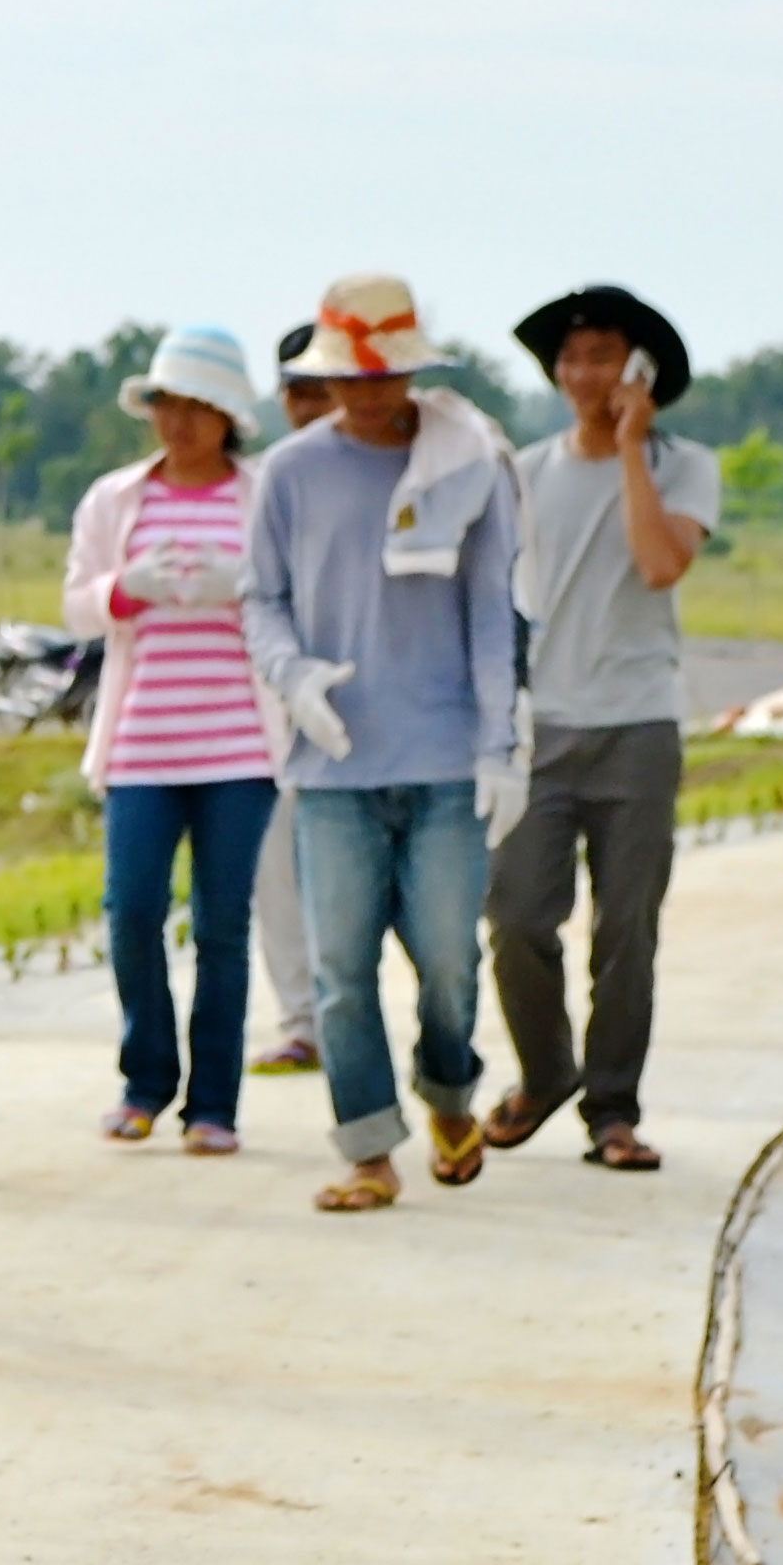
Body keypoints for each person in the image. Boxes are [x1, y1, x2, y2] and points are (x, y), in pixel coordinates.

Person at [241, 274, 520, 1213]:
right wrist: (292, 675)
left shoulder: (466, 460)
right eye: (347, 378)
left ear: (410, 372)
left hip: (444, 755)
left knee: (448, 956)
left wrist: (500, 742)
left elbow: (492, 608)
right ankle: (367, 1148)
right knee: (340, 970)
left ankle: (448, 1092)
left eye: (382, 375)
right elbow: (261, 599)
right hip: (333, 758)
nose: (366, 392)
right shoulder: (291, 472)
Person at [484, 284, 720, 1175]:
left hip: (637, 724)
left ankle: (612, 1109)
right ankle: (546, 1073)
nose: (586, 374)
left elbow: (661, 564)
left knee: (627, 930)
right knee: (514, 917)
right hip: (539, 727)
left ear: (643, 371)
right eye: (571, 358)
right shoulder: (525, 472)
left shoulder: (683, 464)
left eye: (606, 357)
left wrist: (629, 451)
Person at [61, 327, 278, 1152]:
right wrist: (128, 588)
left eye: (197, 407)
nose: (179, 422)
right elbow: (77, 602)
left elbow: (296, 598)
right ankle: (144, 1079)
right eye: (166, 404)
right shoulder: (118, 499)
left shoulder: (260, 496)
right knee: (131, 912)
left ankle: (214, 1104)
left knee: (223, 925)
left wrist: (245, 586)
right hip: (142, 743)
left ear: (229, 416)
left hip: (239, 748)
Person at [250, 327, 341, 1076]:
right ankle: (303, 1021)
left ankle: (357, 1012)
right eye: (297, 390)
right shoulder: (266, 481)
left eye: (322, 388)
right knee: (276, 872)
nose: (308, 406)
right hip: (271, 709)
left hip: (369, 706)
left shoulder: (392, 473)